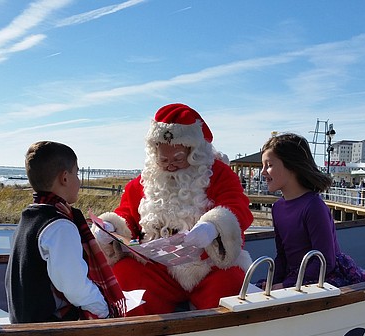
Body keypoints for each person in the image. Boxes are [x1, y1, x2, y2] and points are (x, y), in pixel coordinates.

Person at [92, 103, 253, 315]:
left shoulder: (219, 174)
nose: (169, 166)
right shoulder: (145, 181)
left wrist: (212, 227)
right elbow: (127, 214)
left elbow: (237, 206)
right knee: (124, 275)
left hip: (207, 266)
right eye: (163, 159)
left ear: (193, 151)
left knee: (230, 283)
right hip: (157, 269)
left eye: (178, 158)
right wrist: (111, 227)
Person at [5, 141, 125, 323]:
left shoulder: (29, 217)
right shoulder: (59, 226)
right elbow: (75, 286)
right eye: (77, 173)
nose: (79, 179)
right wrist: (105, 312)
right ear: (65, 178)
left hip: (24, 321)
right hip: (49, 330)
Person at [260, 133, 365, 289]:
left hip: (323, 276)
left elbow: (325, 260)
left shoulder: (313, 206)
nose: (263, 172)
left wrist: (286, 286)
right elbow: (283, 255)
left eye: (269, 165)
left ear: (292, 166)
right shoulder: (277, 208)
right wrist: (273, 282)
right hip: (297, 276)